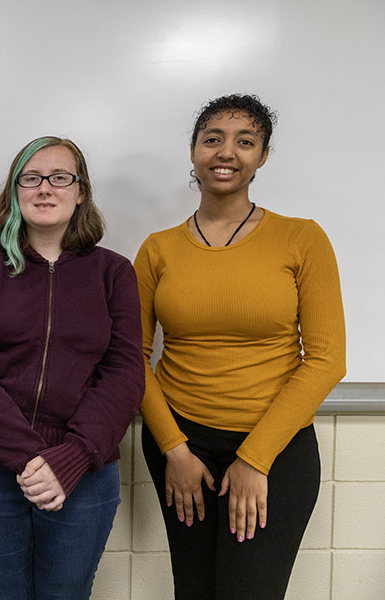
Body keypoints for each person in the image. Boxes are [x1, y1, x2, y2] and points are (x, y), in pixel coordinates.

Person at [135, 94, 346, 599]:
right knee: (194, 590)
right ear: (193, 152)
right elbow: (131, 357)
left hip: (275, 450)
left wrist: (254, 458)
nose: (226, 152)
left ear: (263, 156)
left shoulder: (302, 239)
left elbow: (326, 360)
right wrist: (174, 451)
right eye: (213, 139)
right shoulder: (157, 248)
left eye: (245, 141)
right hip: (181, 447)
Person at [0, 136, 144, 599]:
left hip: (84, 467)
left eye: (60, 178)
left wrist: (70, 459)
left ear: (80, 192)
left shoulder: (113, 272)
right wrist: (29, 458)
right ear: (15, 191)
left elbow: (125, 372)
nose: (44, 189)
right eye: (30, 179)